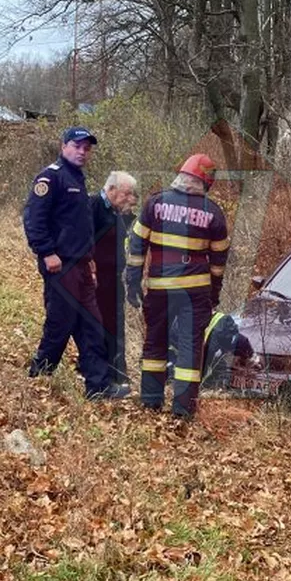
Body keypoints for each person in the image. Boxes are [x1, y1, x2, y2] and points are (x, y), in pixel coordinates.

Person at [23, 126, 129, 400]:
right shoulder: (51, 177)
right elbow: (34, 219)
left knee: (92, 325)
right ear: (64, 146)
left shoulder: (78, 180)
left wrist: (89, 259)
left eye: (87, 148)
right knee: (60, 323)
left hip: (81, 265)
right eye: (77, 146)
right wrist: (47, 252)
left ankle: (98, 386)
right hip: (61, 266)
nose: (82, 152)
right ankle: (38, 375)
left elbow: (80, 227)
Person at [126, 154, 230, 418]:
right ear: (206, 183)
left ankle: (150, 402)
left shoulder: (155, 203)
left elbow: (136, 244)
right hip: (195, 293)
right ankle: (183, 411)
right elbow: (218, 263)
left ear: (181, 174)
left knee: (154, 343)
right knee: (190, 349)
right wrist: (213, 295)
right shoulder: (214, 213)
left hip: (159, 289)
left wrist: (132, 281)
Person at [90, 171, 139, 384]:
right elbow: (82, 239)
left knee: (115, 326)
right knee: (97, 326)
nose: (130, 198)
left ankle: (118, 373)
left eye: (131, 194)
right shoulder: (93, 206)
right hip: (97, 279)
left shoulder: (117, 212)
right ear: (111, 190)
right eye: (125, 193)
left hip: (114, 279)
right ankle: (101, 375)